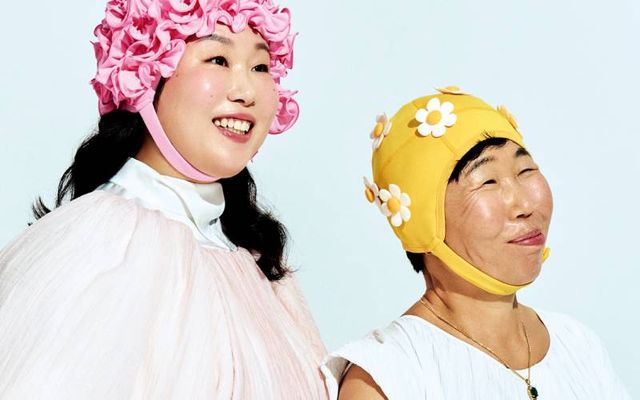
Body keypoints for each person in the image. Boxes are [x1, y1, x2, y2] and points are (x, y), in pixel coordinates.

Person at [0, 1, 328, 398]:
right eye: (218, 59)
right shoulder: (102, 241)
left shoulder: (256, 263)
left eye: (260, 67)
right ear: (145, 74)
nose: (246, 92)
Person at [321, 87, 630, 399]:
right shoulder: (388, 376)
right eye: (488, 181)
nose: (525, 205)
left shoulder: (577, 344)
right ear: (423, 222)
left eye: (526, 170)